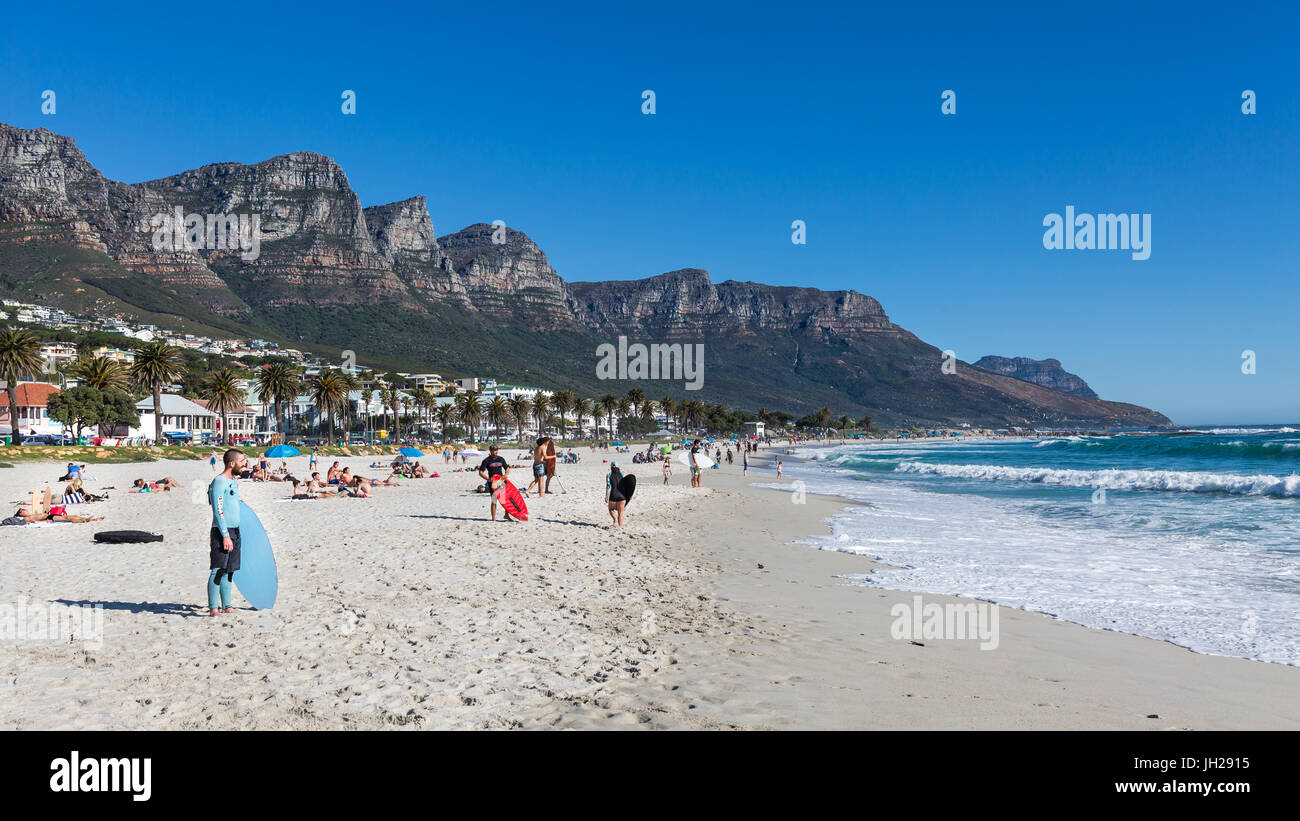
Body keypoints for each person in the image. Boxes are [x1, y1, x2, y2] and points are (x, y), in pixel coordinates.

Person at [208, 449, 246, 617]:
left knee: (229, 570)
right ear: (232, 463)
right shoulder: (219, 481)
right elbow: (218, 510)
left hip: (235, 530)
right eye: (242, 461)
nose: (244, 464)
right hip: (221, 531)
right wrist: (225, 535)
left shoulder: (233, 481)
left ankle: (227, 605)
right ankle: (213, 608)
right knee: (218, 569)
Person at [477, 445, 515, 521]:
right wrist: (487, 479)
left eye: (496, 450)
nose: (496, 452)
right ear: (490, 451)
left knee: (506, 499)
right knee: (494, 500)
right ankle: (493, 518)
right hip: (493, 483)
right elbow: (481, 472)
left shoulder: (501, 459)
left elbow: (507, 467)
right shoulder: (487, 460)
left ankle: (506, 515)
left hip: (501, 481)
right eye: (494, 450)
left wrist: (506, 474)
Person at [605, 462, 627, 529]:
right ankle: (620, 527)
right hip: (622, 495)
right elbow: (627, 485)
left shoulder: (608, 475)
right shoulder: (622, 474)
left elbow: (608, 486)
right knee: (620, 513)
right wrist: (629, 495)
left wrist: (606, 496)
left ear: (611, 467)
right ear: (618, 467)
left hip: (613, 495)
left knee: (611, 509)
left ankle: (614, 519)